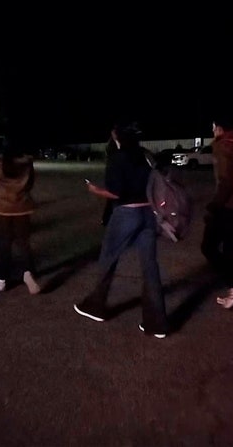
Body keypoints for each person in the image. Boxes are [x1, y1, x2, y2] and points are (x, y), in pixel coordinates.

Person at [73, 121, 169, 339]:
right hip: (148, 214)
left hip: (126, 214)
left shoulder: (119, 157)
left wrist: (95, 189)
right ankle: (157, 322)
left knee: (108, 258)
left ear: (117, 136)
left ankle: (96, 306)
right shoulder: (146, 155)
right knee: (150, 267)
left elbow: (116, 193)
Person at [201, 117, 233, 310]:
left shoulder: (223, 146)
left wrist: (214, 207)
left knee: (208, 247)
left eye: (213, 127)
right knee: (232, 250)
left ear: (220, 128)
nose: (213, 131)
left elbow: (226, 181)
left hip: (228, 207)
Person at [0, 138, 40, 294]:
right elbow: (30, 183)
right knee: (23, 243)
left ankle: (3, 279)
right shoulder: (27, 164)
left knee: (4, 243)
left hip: (2, 207)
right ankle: (28, 273)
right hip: (22, 207)